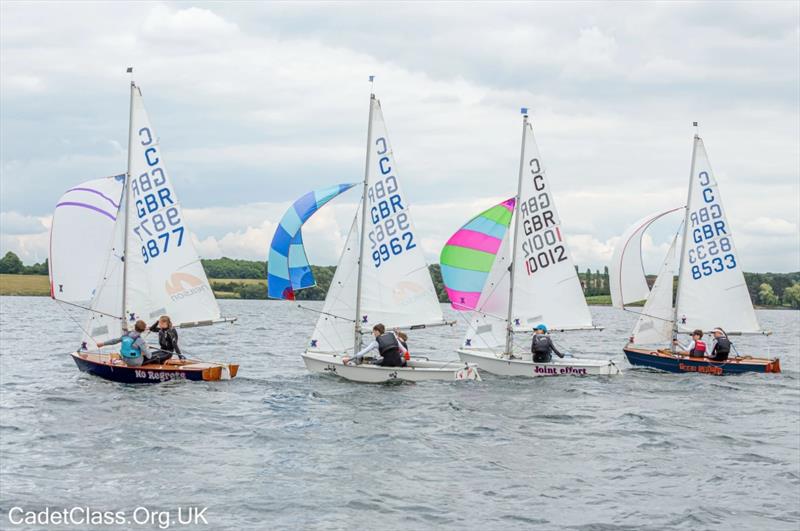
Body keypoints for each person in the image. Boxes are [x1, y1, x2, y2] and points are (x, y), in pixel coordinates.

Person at [342, 324, 408, 367]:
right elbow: (404, 351)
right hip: (398, 362)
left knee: (372, 362)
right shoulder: (393, 336)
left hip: (387, 364)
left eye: (373, 332)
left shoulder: (376, 342)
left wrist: (349, 359)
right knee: (400, 359)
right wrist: (405, 362)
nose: (373, 334)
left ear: (377, 331)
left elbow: (361, 353)